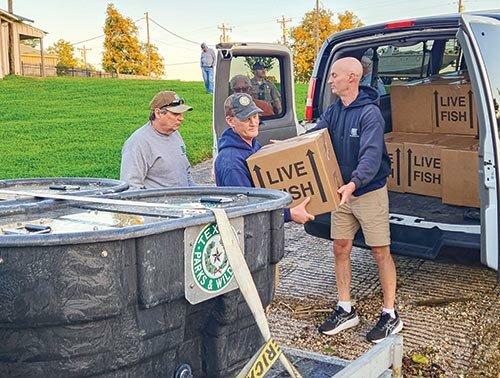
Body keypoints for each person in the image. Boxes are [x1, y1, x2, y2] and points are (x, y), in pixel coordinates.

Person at [308, 57, 402, 343]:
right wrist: (288, 145)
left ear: (352, 78)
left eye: (334, 75)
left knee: (379, 251)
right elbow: (314, 136)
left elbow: (372, 156)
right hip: (341, 192)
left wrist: (354, 183)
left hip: (367, 191)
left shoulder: (370, 114)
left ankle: (390, 314)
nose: (329, 79)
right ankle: (345, 308)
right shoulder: (334, 111)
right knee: (340, 247)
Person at [215, 93, 314, 224]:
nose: (253, 123)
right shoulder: (231, 162)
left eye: (255, 116)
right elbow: (246, 207)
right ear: (230, 121)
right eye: (246, 119)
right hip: (246, 233)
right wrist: (289, 214)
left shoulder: (252, 145)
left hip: (262, 229)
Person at [120, 90, 195, 189]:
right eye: (175, 114)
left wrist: (195, 194)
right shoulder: (138, 143)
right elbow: (131, 186)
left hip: (183, 201)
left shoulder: (175, 134)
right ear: (158, 113)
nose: (181, 118)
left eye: (181, 114)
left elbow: (186, 171)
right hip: (159, 203)